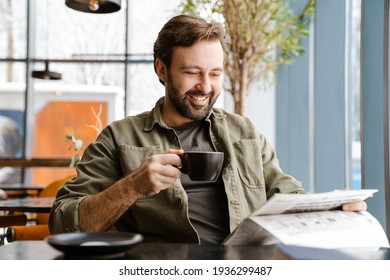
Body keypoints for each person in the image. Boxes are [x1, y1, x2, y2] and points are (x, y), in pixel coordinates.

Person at [49, 14, 366, 244]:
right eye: (191, 72)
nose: (205, 86)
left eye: (215, 74)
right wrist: (133, 186)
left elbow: (287, 194)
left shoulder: (245, 133)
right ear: (162, 69)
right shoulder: (120, 139)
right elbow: (63, 223)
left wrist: (331, 205)